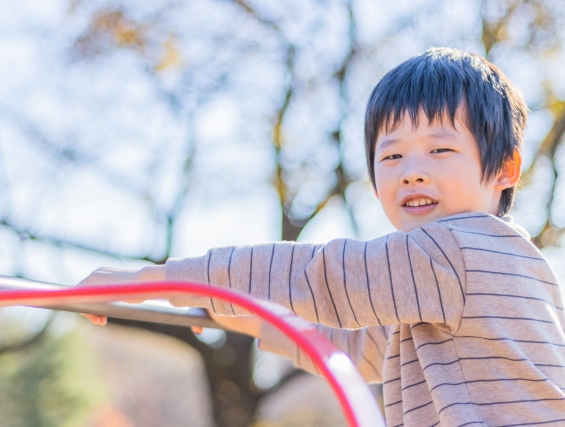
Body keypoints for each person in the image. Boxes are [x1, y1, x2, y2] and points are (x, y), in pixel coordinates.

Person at [79, 47, 565, 426]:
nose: (413, 172)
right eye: (392, 156)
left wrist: (154, 280)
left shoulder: (461, 249)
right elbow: (352, 347)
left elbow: (320, 279)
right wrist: (226, 307)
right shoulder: (459, 279)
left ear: (504, 169)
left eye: (440, 149)